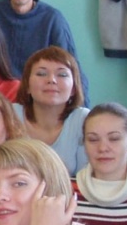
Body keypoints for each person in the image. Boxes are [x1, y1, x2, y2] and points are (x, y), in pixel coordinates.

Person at [13, 47, 90, 176]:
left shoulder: (83, 119)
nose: (51, 80)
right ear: (27, 86)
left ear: (73, 89)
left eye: (62, 75)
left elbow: (85, 176)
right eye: (41, 74)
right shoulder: (10, 114)